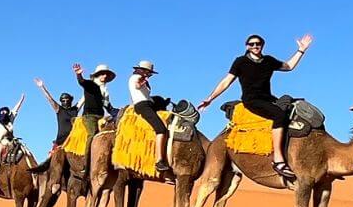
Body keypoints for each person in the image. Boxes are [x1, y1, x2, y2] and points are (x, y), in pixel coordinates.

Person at [198, 32, 312, 183]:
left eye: (257, 43)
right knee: (279, 116)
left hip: (268, 98)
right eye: (251, 44)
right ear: (247, 46)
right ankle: (278, 160)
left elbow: (289, 66)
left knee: (293, 110)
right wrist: (210, 98)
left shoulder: (268, 61)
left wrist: (301, 50)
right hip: (252, 100)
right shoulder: (240, 62)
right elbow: (227, 81)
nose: (255, 46)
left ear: (262, 45)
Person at [124, 60, 173, 178]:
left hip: (148, 104)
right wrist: (142, 82)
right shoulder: (136, 77)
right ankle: (159, 160)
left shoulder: (141, 78)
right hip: (143, 105)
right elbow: (136, 85)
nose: (150, 74)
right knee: (161, 129)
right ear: (144, 71)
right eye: (149, 72)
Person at [0, 94, 27, 185]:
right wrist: (1, 145)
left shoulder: (9, 122)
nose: (4, 114)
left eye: (5, 112)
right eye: (2, 113)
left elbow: (15, 110)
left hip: (10, 141)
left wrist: (21, 100)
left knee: (24, 149)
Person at [33, 78, 80, 149]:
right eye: (63, 100)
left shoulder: (75, 109)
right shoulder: (59, 110)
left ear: (71, 100)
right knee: (51, 158)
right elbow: (50, 99)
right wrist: (42, 87)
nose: (65, 101)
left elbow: (84, 98)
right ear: (61, 101)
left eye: (67, 100)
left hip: (74, 140)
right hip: (60, 141)